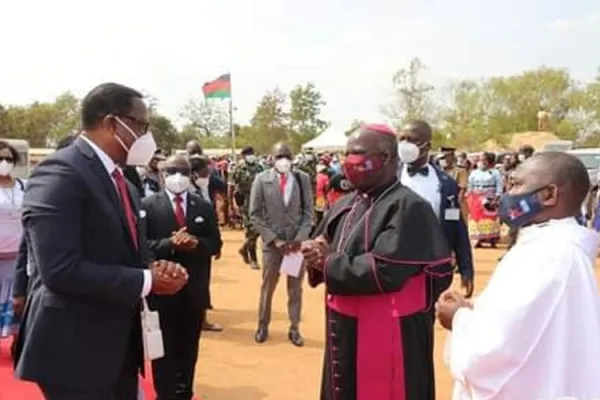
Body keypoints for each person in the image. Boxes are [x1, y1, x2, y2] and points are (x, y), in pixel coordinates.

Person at [14, 82, 188, 399]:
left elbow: (124, 252)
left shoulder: (124, 182)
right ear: (112, 123)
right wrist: (147, 280)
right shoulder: (61, 172)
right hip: (73, 349)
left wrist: (155, 267)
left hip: (118, 343)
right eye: (141, 125)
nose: (147, 137)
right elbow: (59, 270)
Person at [302, 125, 452, 400]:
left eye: (358, 154)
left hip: (387, 328)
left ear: (388, 158)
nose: (349, 161)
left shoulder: (408, 206)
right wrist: (314, 251)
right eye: (346, 154)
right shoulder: (345, 203)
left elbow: (386, 270)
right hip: (345, 322)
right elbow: (324, 241)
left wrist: (327, 261)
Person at [437, 151, 600, 399]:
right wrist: (474, 309)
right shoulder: (550, 247)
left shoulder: (548, 255)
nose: (508, 194)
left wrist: (458, 318)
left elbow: (498, 349)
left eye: (516, 185)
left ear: (549, 195)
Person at [143, 155, 222, 400]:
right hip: (162, 292)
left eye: (183, 172)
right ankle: (164, 394)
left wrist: (195, 243)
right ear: (163, 175)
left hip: (193, 292)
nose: (178, 177)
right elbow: (142, 247)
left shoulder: (203, 206)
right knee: (164, 351)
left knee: (189, 351)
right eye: (172, 171)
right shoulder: (147, 205)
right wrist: (170, 244)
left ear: (192, 176)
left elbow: (215, 244)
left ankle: (184, 392)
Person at [397, 121, 474, 298]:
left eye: (412, 140)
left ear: (427, 146)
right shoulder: (390, 178)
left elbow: (457, 227)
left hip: (434, 267)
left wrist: (466, 269)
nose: (405, 145)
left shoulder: (446, 184)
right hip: (395, 266)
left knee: (426, 318)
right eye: (402, 139)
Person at [249, 142, 313, 346]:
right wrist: (275, 239)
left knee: (295, 289)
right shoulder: (261, 180)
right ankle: (262, 325)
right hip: (272, 245)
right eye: (279, 156)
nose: (283, 160)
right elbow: (255, 215)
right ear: (271, 158)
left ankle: (294, 328)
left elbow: (308, 213)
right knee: (268, 287)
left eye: (286, 156)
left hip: (295, 245)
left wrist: (299, 238)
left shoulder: (302, 179)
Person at [189, 154, 225, 332]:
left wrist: (215, 243)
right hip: (189, 244)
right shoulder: (187, 191)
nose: (208, 175)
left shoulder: (205, 188)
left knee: (202, 283)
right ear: (194, 173)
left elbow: (211, 217)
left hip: (203, 244)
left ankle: (202, 319)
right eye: (204, 171)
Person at [0, 141, 26, 349]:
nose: (4, 162)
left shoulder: (24, 186)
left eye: (9, 158)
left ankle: (18, 341)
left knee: (18, 300)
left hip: (18, 256)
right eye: (0, 158)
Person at [232, 147, 264, 270]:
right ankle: (253, 259)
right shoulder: (239, 169)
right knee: (251, 229)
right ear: (244, 156)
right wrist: (233, 204)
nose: (251, 156)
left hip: (259, 202)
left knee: (258, 229)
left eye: (252, 153)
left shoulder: (259, 167)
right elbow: (232, 187)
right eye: (248, 154)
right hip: (245, 202)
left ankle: (244, 249)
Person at [466, 152, 504, 247]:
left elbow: (499, 187)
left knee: (490, 218)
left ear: (489, 161)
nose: (481, 162)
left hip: (489, 197)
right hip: (476, 198)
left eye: (484, 160)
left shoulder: (495, 173)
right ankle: (479, 239)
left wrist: (496, 198)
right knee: (476, 218)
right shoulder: (474, 173)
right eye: (480, 160)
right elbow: (470, 186)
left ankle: (492, 240)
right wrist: (469, 197)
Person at [439, 146, 469, 222]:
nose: (444, 160)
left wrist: (455, 205)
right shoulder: (438, 172)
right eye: (442, 158)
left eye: (446, 157)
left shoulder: (460, 171)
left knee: (454, 227)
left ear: (452, 157)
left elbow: (462, 191)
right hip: (441, 204)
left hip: (454, 204)